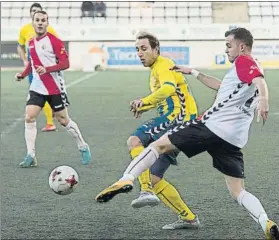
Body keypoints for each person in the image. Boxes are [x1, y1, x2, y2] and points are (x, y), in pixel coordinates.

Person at [95, 28, 279, 240]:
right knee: (238, 192)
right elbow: (222, 87)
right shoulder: (242, 73)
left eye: (229, 45)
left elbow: (260, 79)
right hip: (232, 140)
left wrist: (264, 100)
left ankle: (128, 179)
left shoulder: (245, 61)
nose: (226, 49)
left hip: (211, 126)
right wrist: (193, 72)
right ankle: (266, 222)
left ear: (242, 46)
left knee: (158, 146)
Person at [108, 31, 200, 229]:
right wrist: (144, 106)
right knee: (155, 177)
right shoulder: (156, 69)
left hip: (178, 119)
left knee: (135, 141)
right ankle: (189, 218)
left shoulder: (163, 64)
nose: (140, 54)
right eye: (137, 50)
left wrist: (145, 101)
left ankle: (145, 190)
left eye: (144, 49)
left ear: (156, 50)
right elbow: (166, 96)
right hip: (181, 121)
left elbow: (168, 89)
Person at [15, 11, 91, 167]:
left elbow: (65, 64)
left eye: (43, 20)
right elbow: (32, 63)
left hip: (54, 86)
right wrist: (23, 75)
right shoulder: (30, 42)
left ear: (47, 23)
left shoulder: (54, 41)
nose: (40, 23)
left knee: (63, 120)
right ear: (33, 23)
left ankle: (83, 146)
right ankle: (31, 155)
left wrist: (48, 69)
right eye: (37, 20)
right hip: (37, 86)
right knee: (29, 117)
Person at [17, 3, 57, 132]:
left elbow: (57, 44)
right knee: (39, 91)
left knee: (45, 92)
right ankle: (51, 116)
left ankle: (51, 119)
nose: (36, 14)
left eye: (39, 12)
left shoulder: (48, 29)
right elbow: (20, 46)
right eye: (34, 11)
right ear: (30, 14)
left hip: (46, 66)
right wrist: (24, 60)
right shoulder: (24, 29)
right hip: (33, 66)